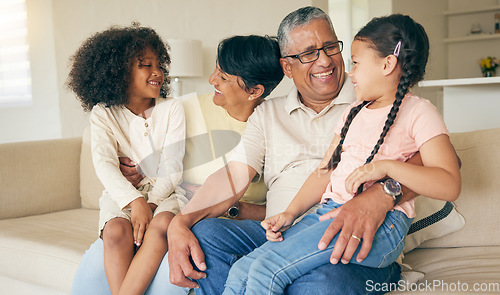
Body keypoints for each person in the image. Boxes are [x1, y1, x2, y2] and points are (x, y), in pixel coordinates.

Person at [166, 7, 427, 295]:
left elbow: (438, 160)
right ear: (287, 67)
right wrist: (182, 220)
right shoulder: (268, 114)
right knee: (207, 235)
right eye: (308, 53)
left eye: (330, 46)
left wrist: (382, 195)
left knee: (321, 281)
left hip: (348, 238)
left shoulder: (375, 96)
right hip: (281, 236)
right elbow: (235, 174)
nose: (325, 60)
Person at [222, 14, 461, 295]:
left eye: (356, 62)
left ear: (387, 64)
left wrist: (387, 168)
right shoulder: (354, 111)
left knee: (266, 271)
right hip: (326, 212)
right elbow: (324, 171)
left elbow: (449, 182)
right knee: (243, 269)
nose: (351, 72)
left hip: (383, 225)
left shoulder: (419, 112)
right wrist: (290, 213)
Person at [70, 34, 284, 294]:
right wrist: (134, 170)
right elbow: (133, 138)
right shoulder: (183, 109)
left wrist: (233, 209)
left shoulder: (275, 128)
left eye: (224, 77)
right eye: (215, 69)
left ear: (255, 90)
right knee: (102, 257)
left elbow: (288, 207)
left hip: (205, 224)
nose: (211, 80)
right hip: (156, 210)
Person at [67, 24, 188, 295]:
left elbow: (173, 166)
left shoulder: (172, 109)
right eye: (145, 65)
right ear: (119, 72)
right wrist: (134, 202)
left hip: (165, 192)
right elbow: (105, 164)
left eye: (160, 65)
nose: (157, 72)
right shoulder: (103, 114)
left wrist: (151, 203)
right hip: (123, 193)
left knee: (160, 226)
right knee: (115, 233)